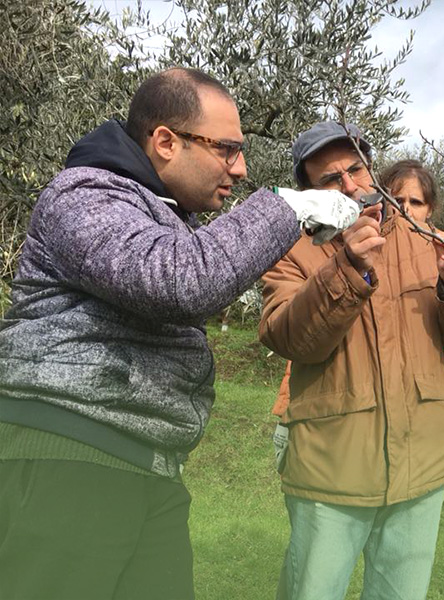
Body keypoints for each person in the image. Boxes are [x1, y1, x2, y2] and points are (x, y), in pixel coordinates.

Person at [0, 68, 359, 600]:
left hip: (146, 464)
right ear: (166, 141)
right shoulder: (85, 194)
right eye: (228, 149)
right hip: (67, 457)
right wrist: (290, 204)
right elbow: (179, 279)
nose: (240, 170)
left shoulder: (159, 214)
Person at [259, 122, 444, 600]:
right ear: (309, 190)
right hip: (334, 469)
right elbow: (289, 337)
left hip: (422, 465)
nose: (350, 185)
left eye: (355, 169)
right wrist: (345, 267)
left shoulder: (422, 236)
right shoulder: (291, 249)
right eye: (331, 179)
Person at [271, 159, 444, 431]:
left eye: (416, 202)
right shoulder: (315, 243)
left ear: (430, 210)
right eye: (396, 199)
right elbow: (299, 338)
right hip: (323, 421)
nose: (405, 209)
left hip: (421, 427)